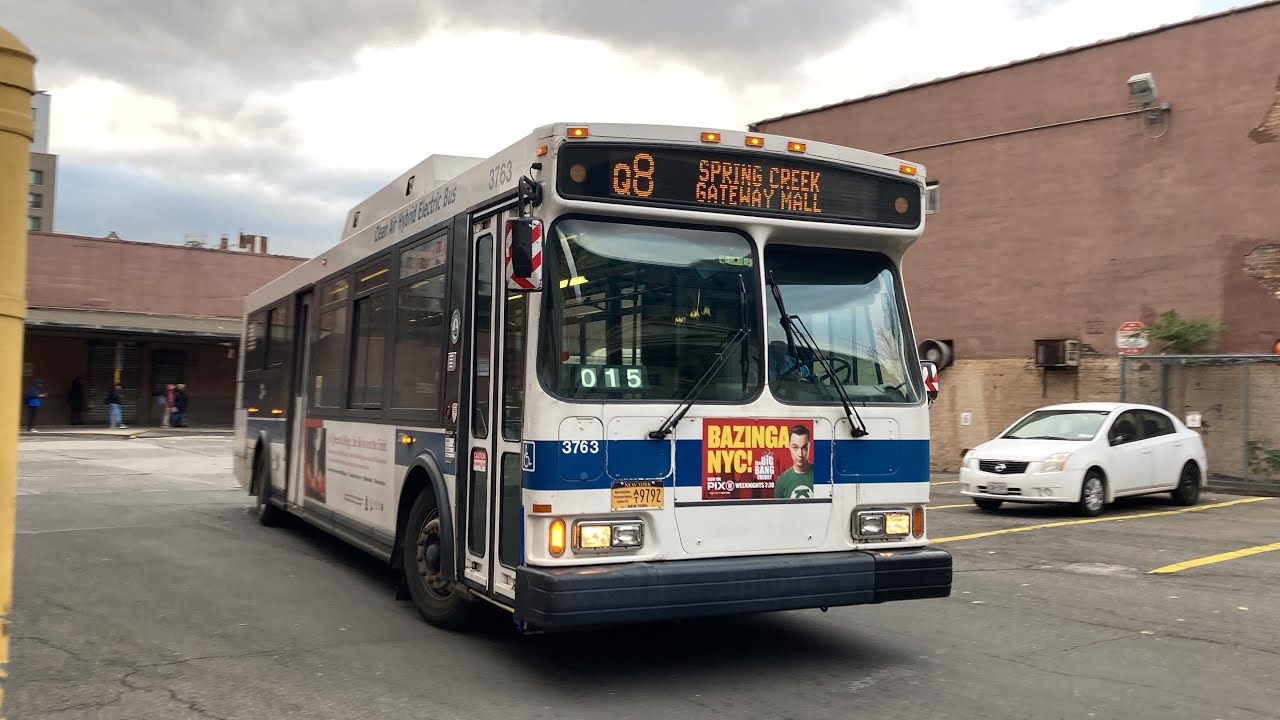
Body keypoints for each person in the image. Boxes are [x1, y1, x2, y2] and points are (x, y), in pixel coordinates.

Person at [774, 424, 815, 499]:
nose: (800, 454)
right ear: (789, 447)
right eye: (795, 447)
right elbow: (778, 510)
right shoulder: (782, 481)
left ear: (809, 446)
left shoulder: (821, 475)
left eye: (804, 448)